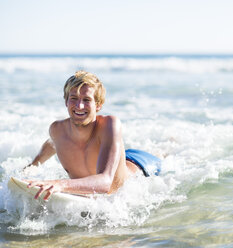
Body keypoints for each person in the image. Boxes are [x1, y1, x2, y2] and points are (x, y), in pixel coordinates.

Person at [24, 70, 161, 200]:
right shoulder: (57, 130)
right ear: (66, 101)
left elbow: (105, 182)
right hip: (114, 154)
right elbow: (52, 143)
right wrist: (31, 167)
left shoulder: (110, 124)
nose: (80, 106)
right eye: (74, 98)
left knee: (161, 155)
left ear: (98, 105)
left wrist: (60, 184)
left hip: (142, 164)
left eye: (87, 100)